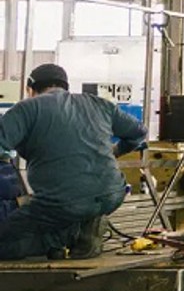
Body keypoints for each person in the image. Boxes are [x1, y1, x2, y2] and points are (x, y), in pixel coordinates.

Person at [0, 64, 145, 262]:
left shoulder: (27, 108)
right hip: (112, 194)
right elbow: (139, 134)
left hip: (62, 202)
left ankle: (68, 236)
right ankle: (84, 226)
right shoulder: (100, 104)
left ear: (30, 89)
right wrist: (116, 151)